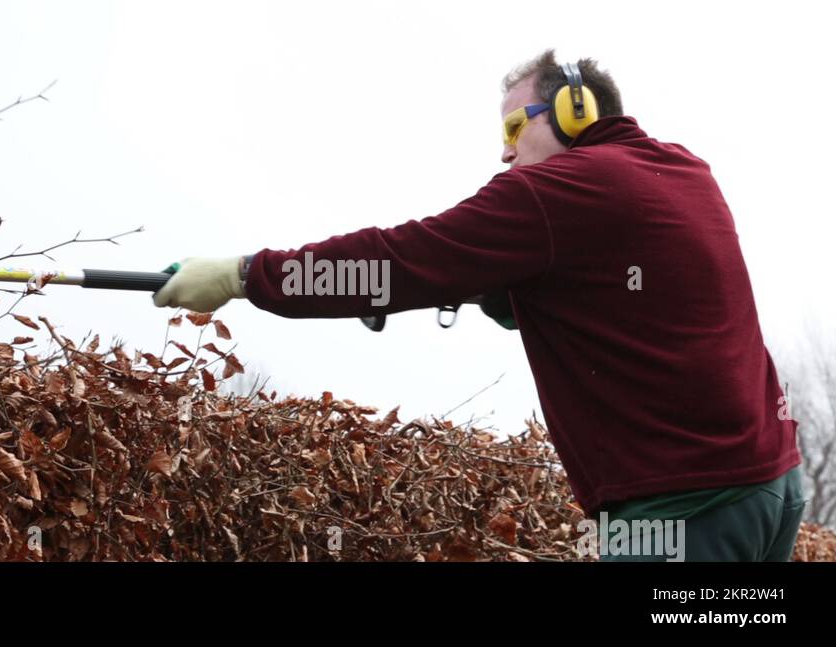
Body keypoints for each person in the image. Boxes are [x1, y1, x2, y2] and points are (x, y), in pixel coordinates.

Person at [152, 49, 805, 561]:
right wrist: (498, 291)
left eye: (516, 126)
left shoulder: (556, 192)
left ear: (574, 112)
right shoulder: (682, 170)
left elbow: (396, 260)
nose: (505, 149)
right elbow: (623, 297)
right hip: (772, 491)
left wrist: (243, 276)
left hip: (683, 515)